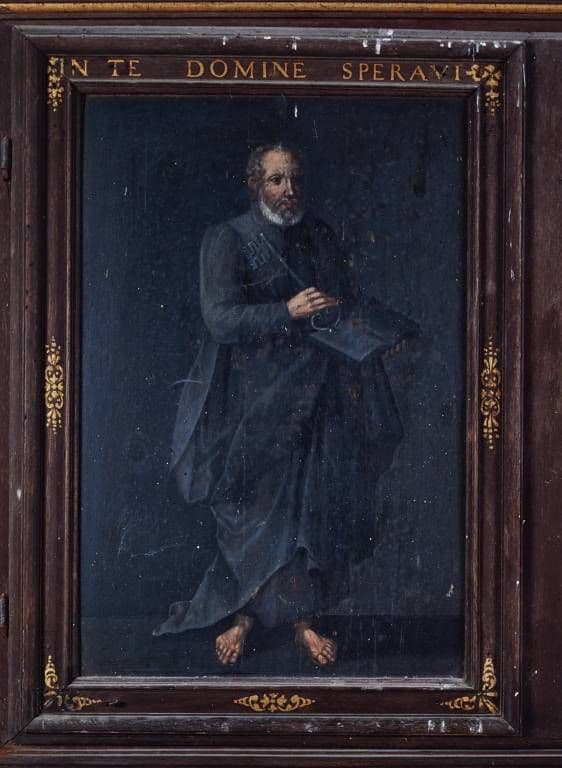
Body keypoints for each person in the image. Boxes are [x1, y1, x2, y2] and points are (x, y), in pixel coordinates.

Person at [154, 144, 407, 666]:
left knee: (309, 510)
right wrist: (286, 310)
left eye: (294, 179)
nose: (288, 190)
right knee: (252, 513)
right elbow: (220, 319)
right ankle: (243, 618)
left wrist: (370, 333)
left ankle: (303, 622)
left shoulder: (319, 235)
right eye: (276, 180)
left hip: (315, 392)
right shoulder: (228, 238)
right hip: (251, 402)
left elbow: (342, 299)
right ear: (255, 185)